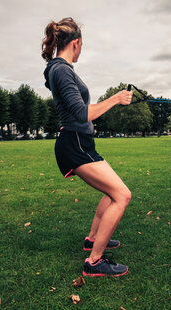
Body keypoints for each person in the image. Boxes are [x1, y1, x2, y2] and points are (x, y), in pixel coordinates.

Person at [42, 17, 133, 277]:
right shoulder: (60, 70)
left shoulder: (60, 69)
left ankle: (92, 240)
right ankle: (93, 262)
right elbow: (82, 113)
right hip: (75, 143)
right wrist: (115, 98)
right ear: (76, 42)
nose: (82, 50)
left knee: (112, 191)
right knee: (122, 195)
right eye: (82, 46)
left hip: (81, 142)